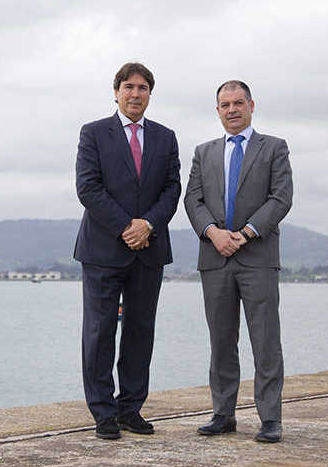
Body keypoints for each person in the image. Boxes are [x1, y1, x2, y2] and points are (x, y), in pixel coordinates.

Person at [74, 62, 181, 440]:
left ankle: (130, 408)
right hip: (103, 250)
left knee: (140, 331)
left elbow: (172, 190)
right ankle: (103, 412)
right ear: (116, 91)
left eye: (143, 88)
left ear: (150, 94)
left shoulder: (166, 137)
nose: (136, 94)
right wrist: (126, 226)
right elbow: (88, 188)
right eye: (129, 87)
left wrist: (147, 224)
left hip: (148, 250)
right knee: (99, 332)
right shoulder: (94, 133)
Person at [183, 80, 293, 443]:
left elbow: (281, 199)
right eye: (225, 104)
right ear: (217, 110)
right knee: (221, 341)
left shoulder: (274, 148)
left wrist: (245, 233)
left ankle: (270, 419)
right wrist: (213, 233)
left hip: (257, 258)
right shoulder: (204, 152)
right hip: (214, 258)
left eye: (238, 103)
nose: (232, 109)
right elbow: (193, 201)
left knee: (265, 340)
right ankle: (223, 414)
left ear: (251, 105)